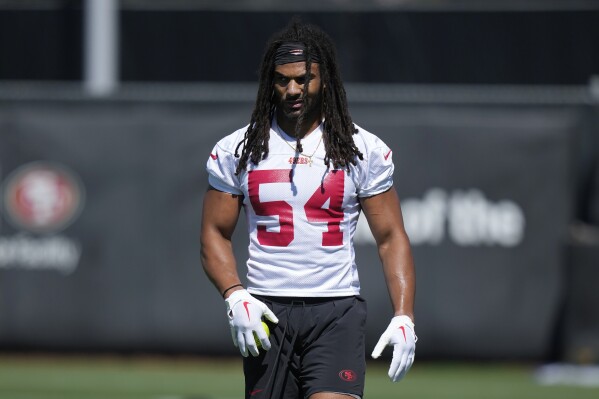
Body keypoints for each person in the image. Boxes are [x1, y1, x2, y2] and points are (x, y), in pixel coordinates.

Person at [201, 18, 416, 399]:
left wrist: (404, 315)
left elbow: (390, 236)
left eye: (303, 79)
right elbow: (214, 234)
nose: (292, 89)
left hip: (336, 311)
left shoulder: (360, 148)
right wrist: (235, 295)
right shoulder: (239, 149)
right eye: (282, 80)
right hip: (267, 312)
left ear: (325, 79)